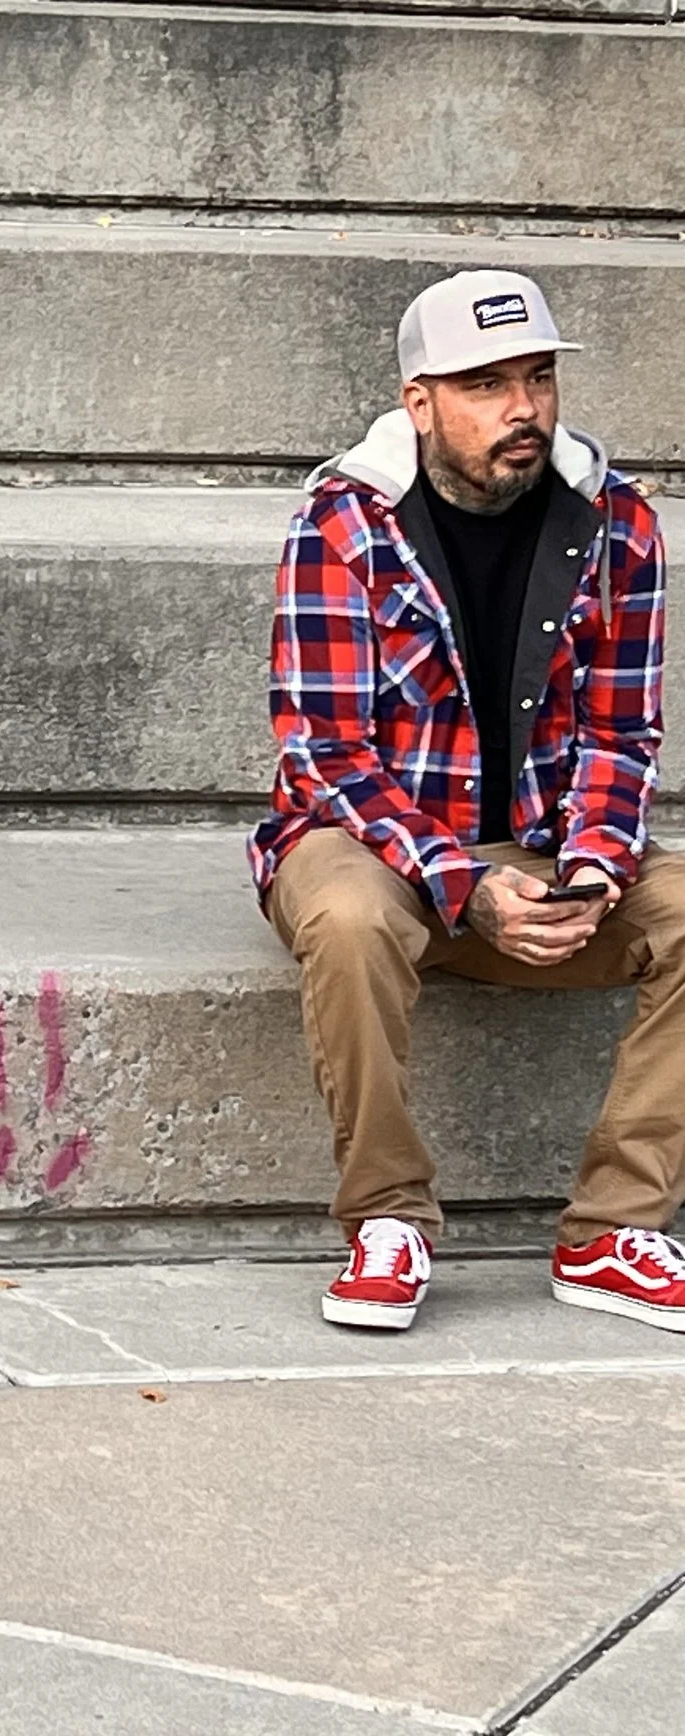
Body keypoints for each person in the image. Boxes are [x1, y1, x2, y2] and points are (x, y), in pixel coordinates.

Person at [250, 269, 677, 1333]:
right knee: (348, 920)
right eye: (482, 384)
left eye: (536, 378)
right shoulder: (343, 526)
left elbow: (621, 734)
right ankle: (387, 1219)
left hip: (530, 847)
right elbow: (327, 756)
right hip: (366, 844)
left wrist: (591, 865)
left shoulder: (616, 524)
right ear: (418, 401)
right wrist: (463, 883)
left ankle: (613, 1232)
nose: (522, 408)